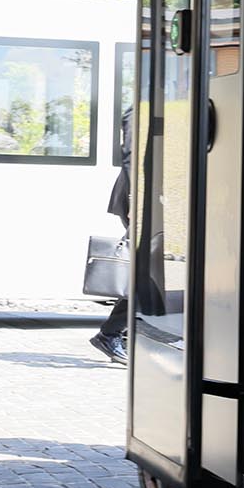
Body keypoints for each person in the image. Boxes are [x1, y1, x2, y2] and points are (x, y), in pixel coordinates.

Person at [87, 109, 131, 365]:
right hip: (137, 198)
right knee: (144, 270)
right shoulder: (140, 108)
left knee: (146, 269)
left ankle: (116, 333)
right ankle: (111, 333)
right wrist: (139, 202)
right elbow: (131, 159)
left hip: (146, 198)